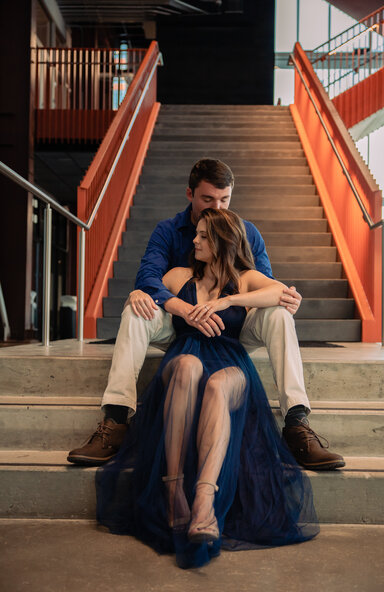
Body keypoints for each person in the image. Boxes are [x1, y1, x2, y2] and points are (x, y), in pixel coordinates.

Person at [68, 158, 344, 471]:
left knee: (280, 314)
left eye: (224, 199)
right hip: (179, 323)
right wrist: (184, 309)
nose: (218, 206)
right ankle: (116, 420)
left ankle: (296, 424)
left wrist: (242, 301)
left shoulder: (245, 231)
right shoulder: (169, 232)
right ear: (190, 194)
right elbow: (148, 279)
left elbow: (266, 288)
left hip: (233, 326)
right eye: (208, 199)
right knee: (135, 308)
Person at [96, 208, 320, 569]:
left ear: (221, 241)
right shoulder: (179, 274)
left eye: (202, 235)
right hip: (185, 354)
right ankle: (173, 490)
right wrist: (136, 294)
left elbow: (279, 291)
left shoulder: (245, 279)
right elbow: (145, 293)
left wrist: (228, 300)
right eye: (196, 233)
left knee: (216, 384)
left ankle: (203, 501)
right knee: (187, 366)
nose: (194, 240)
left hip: (231, 362)